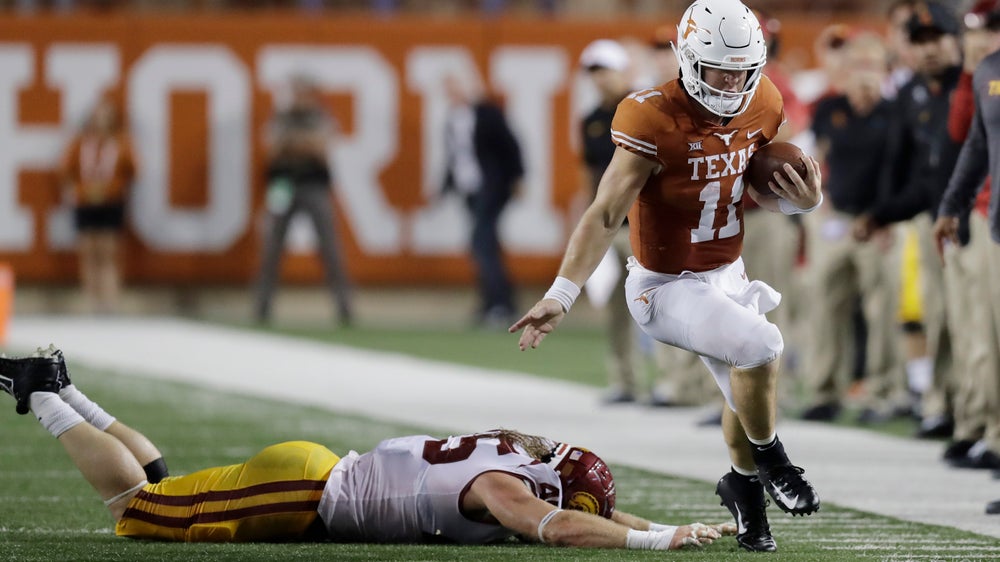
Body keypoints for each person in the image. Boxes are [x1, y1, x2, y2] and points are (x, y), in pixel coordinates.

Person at [511, 0, 822, 552]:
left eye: (741, 70)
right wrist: (562, 293)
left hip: (727, 271)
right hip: (665, 285)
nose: (731, 82)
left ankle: (746, 502)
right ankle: (775, 461)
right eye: (719, 68)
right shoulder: (649, 115)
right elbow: (606, 212)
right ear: (686, 58)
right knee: (762, 343)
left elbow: (750, 191)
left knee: (743, 392)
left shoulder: (766, 100)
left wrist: (803, 202)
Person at [0, 348, 732, 549]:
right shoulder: (507, 495)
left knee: (164, 479)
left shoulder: (519, 454)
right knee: (135, 510)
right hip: (304, 496)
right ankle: (39, 396)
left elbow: (590, 508)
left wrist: (669, 527)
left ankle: (68, 390)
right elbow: (564, 525)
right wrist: (656, 547)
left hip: (312, 474)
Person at [853, 1, 964, 440]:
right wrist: (883, 213)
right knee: (940, 316)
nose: (929, 50)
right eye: (919, 42)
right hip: (934, 217)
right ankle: (949, 407)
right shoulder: (914, 92)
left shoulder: (974, 87)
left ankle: (969, 414)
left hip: (974, 215)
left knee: (972, 322)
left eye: (936, 38)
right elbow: (907, 167)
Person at [798, 33, 908, 424]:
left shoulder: (898, 112)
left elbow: (904, 172)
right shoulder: (830, 108)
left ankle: (883, 392)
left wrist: (886, 218)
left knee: (881, 309)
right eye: (856, 67)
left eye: (871, 67)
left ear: (885, 72)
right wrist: (820, 205)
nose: (863, 76)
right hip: (837, 219)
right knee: (826, 304)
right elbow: (816, 159)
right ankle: (825, 390)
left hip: (881, 223)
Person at [932, 3, 1000, 511]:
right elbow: (974, 143)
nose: (985, 36)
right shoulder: (990, 75)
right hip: (994, 222)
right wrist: (953, 204)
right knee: (988, 338)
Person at [254, 74, 354, 326]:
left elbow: (321, 150)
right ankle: (262, 306)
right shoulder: (281, 117)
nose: (298, 97)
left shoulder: (320, 117)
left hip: (314, 185)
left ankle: (345, 307)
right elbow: (272, 149)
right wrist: (303, 144)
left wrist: (292, 144)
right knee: (271, 246)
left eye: (302, 92)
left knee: (330, 247)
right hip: (282, 185)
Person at [441, 73, 524, 327]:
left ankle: (498, 304)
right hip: (470, 190)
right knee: (486, 246)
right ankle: (497, 301)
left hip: (491, 189)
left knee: (481, 244)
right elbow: (455, 159)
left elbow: (511, 146)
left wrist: (517, 178)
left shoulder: (487, 114)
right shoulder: (452, 120)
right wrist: (444, 187)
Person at [60, 93, 137, 314]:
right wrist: (80, 190)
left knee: (109, 251)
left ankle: (110, 301)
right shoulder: (80, 144)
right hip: (85, 202)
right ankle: (91, 301)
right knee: (88, 251)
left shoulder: (121, 143)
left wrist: (113, 188)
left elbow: (132, 170)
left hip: (110, 202)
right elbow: (66, 171)